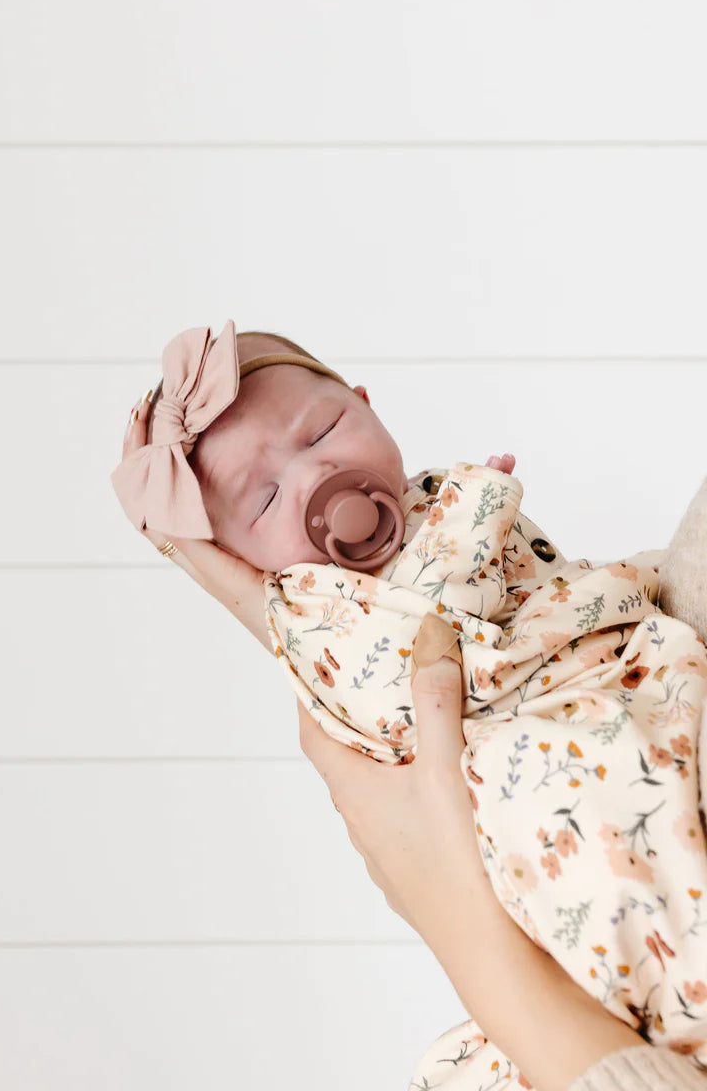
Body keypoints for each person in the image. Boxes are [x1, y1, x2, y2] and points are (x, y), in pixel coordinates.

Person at [117, 328, 707, 1089]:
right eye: (263, 500)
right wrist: (481, 514)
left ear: (367, 406)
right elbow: (404, 675)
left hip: (609, 679)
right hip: (509, 755)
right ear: (246, 560)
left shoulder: (438, 495)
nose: (314, 473)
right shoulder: (312, 606)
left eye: (325, 429)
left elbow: (552, 588)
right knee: (573, 809)